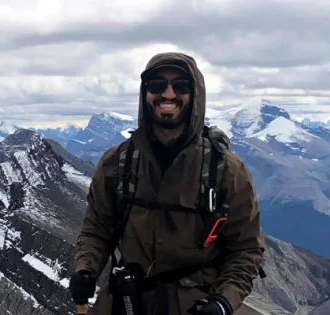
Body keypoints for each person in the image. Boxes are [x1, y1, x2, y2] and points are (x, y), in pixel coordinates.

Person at [69, 52, 266, 315]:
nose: (169, 94)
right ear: (145, 93)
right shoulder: (116, 163)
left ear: (195, 94)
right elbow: (97, 228)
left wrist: (222, 303)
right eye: (157, 85)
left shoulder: (227, 171)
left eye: (182, 85)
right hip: (125, 304)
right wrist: (86, 269)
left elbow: (246, 250)